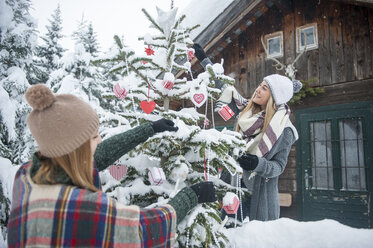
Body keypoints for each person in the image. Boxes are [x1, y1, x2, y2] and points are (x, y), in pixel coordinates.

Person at [7, 84, 217, 247]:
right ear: (76, 148)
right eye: (94, 136)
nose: (99, 140)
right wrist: (192, 195)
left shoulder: (27, 175)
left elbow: (100, 154)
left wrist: (149, 129)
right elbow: (144, 229)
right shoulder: (85, 208)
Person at [193, 43, 301, 221]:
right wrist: (204, 61)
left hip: (258, 200)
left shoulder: (284, 130)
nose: (258, 89)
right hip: (232, 192)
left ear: (275, 97)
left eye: (265, 88)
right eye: (260, 85)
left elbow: (278, 167)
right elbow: (224, 86)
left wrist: (257, 164)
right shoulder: (247, 113)